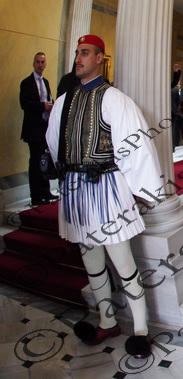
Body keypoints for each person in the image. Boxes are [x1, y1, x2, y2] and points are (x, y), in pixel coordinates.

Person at [46, 34, 161, 359]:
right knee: (92, 262)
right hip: (75, 190)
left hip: (106, 188)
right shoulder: (64, 101)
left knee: (122, 262)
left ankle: (141, 330)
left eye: (85, 53)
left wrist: (143, 192)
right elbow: (54, 142)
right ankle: (107, 321)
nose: (78, 58)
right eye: (77, 53)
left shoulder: (114, 99)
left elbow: (135, 146)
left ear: (100, 58)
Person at [19, 52, 57, 205]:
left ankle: (45, 191)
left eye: (43, 62)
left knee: (45, 160)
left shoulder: (45, 82)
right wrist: (42, 106)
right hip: (33, 129)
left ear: (45, 64)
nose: (40, 65)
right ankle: (35, 196)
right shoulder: (26, 83)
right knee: (35, 162)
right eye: (38, 62)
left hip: (44, 128)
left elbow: (48, 99)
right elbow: (25, 104)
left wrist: (51, 106)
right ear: (33, 64)